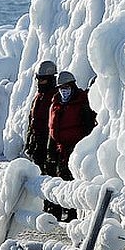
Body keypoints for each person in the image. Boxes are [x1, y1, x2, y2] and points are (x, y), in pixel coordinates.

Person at [48, 70, 97, 220]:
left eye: (66, 88)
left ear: (73, 86)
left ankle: (73, 213)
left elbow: (88, 127)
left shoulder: (81, 103)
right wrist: (51, 149)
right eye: (61, 88)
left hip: (75, 150)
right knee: (61, 180)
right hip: (60, 149)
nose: (64, 91)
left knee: (72, 182)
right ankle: (62, 209)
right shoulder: (56, 104)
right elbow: (51, 128)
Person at [25, 60, 58, 167]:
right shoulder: (38, 97)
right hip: (37, 142)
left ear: (50, 79)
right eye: (38, 79)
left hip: (48, 143)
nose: (39, 82)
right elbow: (32, 120)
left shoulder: (56, 97)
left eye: (42, 79)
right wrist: (29, 141)